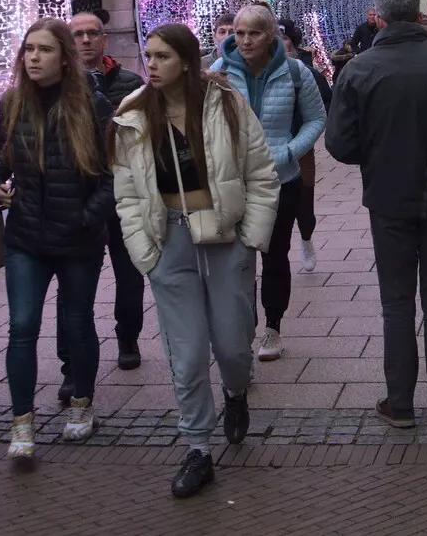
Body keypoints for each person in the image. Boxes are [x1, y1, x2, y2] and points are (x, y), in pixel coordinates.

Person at [112, 24, 279, 499]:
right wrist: (144, 250)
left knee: (232, 344)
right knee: (185, 354)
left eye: (162, 56)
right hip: (169, 241)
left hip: (224, 238)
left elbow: (261, 174)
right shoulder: (133, 113)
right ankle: (197, 447)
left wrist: (250, 238)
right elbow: (125, 192)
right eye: (148, 55)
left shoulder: (225, 104)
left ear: (186, 60)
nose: (152, 65)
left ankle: (235, 392)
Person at [326, 0, 427, 430]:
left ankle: (400, 404)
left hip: (388, 199)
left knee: (396, 303)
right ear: (415, 14)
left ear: (380, 16)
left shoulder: (358, 69)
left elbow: (339, 144)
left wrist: (378, 154)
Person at [0, 18, 115, 459]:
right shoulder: (13, 103)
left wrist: (85, 219)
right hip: (26, 235)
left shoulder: (92, 106)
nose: (33, 58)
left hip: (77, 238)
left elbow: (113, 176)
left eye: (43, 50)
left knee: (77, 323)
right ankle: (21, 422)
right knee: (21, 327)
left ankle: (82, 404)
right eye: (28, 50)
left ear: (64, 56)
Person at [210, 4, 326, 360]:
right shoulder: (220, 72)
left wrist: (290, 151)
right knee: (237, 261)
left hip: (281, 179)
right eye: (239, 33)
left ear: (270, 36)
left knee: (275, 256)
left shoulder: (295, 72)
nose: (244, 40)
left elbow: (315, 118)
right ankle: (243, 330)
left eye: (253, 33)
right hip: (234, 180)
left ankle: (273, 328)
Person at [63, 9, 147, 394]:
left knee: (129, 273)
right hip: (81, 197)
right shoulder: (59, 87)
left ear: (104, 39)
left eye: (92, 34)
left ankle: (128, 336)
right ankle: (72, 365)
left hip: (124, 191)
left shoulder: (129, 81)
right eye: (77, 35)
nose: (85, 41)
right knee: (76, 283)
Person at [279, 20, 332, 274]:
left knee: (304, 200)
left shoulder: (305, 72)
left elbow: (323, 106)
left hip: (300, 148)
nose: (281, 43)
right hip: (269, 147)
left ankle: (306, 240)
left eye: (285, 37)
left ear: (293, 40)